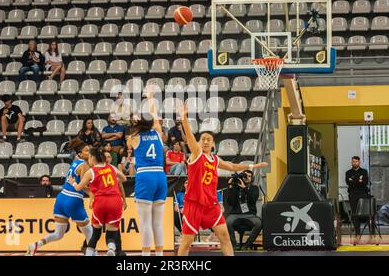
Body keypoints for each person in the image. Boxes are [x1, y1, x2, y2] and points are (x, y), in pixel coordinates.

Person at [176, 102, 268, 256]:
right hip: (194, 204)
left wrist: (253, 166)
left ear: (213, 144)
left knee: (225, 237)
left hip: (210, 204)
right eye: (203, 139)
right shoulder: (196, 154)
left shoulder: (215, 159)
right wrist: (184, 118)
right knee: (187, 242)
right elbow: (190, 138)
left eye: (208, 140)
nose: (205, 141)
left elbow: (232, 166)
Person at [26, 138, 93, 256]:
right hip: (73, 199)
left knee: (58, 234)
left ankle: (36, 245)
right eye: (87, 151)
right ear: (80, 154)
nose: (90, 152)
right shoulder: (84, 166)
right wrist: (93, 194)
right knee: (90, 235)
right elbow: (82, 186)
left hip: (61, 198)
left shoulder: (75, 162)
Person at [126, 90, 167, 256]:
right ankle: (159, 256)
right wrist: (151, 99)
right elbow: (155, 116)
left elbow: (133, 127)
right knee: (157, 223)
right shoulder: (158, 132)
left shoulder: (133, 137)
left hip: (145, 176)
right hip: (160, 176)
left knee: (145, 223)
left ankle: (145, 257)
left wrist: (135, 120)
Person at [68, 147, 127, 256]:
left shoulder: (91, 172)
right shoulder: (111, 167)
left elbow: (79, 188)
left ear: (92, 158)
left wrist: (73, 183)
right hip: (115, 201)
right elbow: (124, 178)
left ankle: (89, 254)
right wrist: (113, 181)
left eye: (89, 157)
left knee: (95, 233)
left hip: (101, 202)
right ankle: (110, 248)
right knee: (111, 232)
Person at [226, 170, 262, 250]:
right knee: (227, 222)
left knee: (259, 223)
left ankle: (247, 244)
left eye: (249, 176)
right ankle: (234, 245)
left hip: (250, 215)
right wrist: (231, 187)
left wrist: (244, 188)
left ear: (252, 178)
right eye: (245, 176)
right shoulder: (235, 188)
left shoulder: (254, 188)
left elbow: (252, 199)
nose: (246, 178)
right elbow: (230, 202)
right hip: (235, 214)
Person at [345, 156, 369, 236]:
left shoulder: (364, 171)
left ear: (359, 162)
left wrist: (354, 180)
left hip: (363, 194)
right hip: (353, 194)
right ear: (351, 162)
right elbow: (349, 183)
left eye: (356, 161)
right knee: (354, 213)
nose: (354, 163)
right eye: (353, 161)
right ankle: (357, 232)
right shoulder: (348, 172)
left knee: (366, 213)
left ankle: (371, 232)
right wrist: (359, 180)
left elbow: (365, 183)